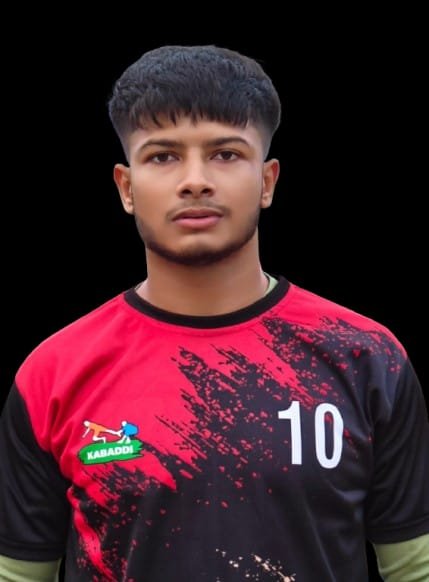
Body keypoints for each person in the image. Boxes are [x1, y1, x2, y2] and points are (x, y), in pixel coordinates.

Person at [0, 45, 427, 582]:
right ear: (126, 188)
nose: (195, 180)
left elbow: (415, 569)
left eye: (225, 154)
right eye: (163, 156)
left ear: (267, 181)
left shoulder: (366, 357)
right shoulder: (54, 372)